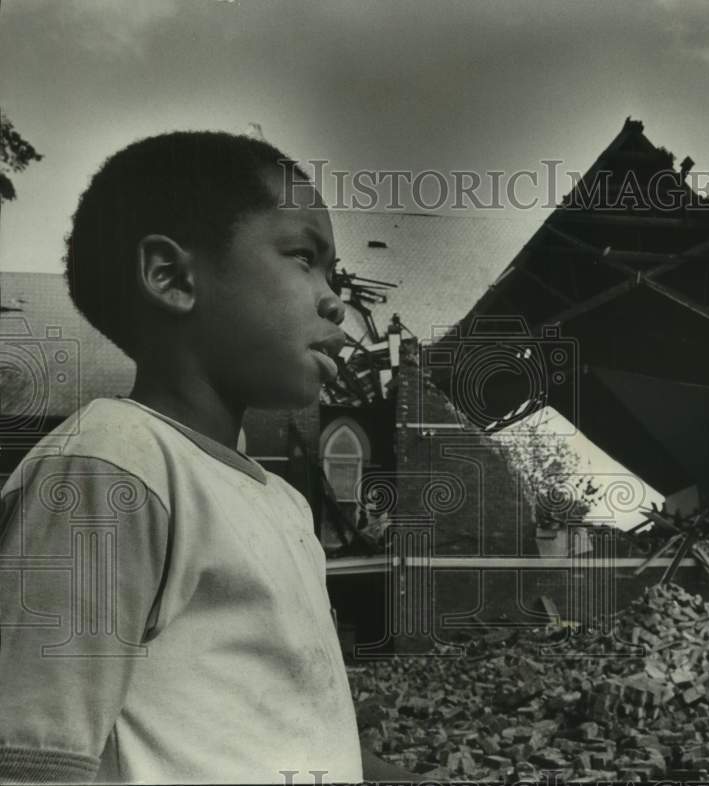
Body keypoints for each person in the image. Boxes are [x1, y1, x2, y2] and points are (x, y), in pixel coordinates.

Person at [0, 131, 418, 784]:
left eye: (333, 274)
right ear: (171, 278)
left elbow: (279, 724)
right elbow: (34, 760)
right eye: (304, 259)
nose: (335, 298)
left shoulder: (281, 502)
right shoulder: (112, 465)